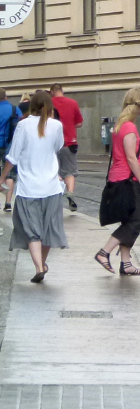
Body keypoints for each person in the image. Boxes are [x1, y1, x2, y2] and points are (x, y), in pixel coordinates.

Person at [1, 90, 67, 283]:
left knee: (32, 229)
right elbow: (58, 147)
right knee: (48, 229)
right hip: (51, 187)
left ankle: (38, 266)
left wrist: (2, 177)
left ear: (32, 106)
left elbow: (12, 156)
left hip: (28, 187)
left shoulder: (23, 125)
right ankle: (42, 264)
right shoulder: (56, 125)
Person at [96, 88, 140, 277]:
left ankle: (126, 263)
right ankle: (104, 253)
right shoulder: (129, 127)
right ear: (139, 105)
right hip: (127, 181)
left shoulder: (121, 125)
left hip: (120, 179)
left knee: (129, 220)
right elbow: (131, 157)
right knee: (134, 221)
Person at [50, 84, 83, 212]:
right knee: (70, 171)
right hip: (69, 142)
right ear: (62, 91)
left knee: (53, 171)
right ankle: (70, 192)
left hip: (52, 143)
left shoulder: (49, 103)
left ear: (52, 92)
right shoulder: (72, 103)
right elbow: (79, 122)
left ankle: (55, 198)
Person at [0, 91, 18, 212]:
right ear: (5, 96)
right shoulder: (14, 109)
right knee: (9, 174)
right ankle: (8, 202)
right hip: (8, 145)